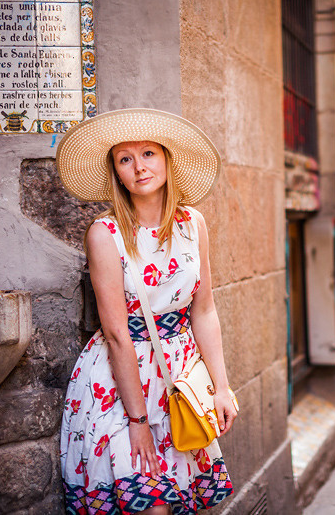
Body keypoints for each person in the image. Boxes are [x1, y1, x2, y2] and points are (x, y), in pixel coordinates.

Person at [56, 108, 237, 514]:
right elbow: (117, 333)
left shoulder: (193, 223)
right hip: (123, 383)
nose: (139, 167)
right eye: (125, 159)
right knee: (150, 505)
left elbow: (204, 310)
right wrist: (138, 423)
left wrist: (221, 388)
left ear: (167, 160)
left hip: (179, 381)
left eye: (148, 154)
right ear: (116, 173)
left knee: (177, 501)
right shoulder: (104, 234)